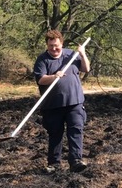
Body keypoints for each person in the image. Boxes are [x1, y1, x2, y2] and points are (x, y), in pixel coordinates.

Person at [33, 30, 91, 173]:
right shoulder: (42, 60)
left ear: (61, 43)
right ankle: (54, 164)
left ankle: (76, 160)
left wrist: (82, 53)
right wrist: (53, 76)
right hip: (52, 105)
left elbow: (86, 68)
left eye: (56, 45)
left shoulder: (71, 54)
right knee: (55, 133)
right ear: (47, 45)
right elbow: (40, 79)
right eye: (51, 46)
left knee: (76, 129)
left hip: (74, 101)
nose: (54, 48)